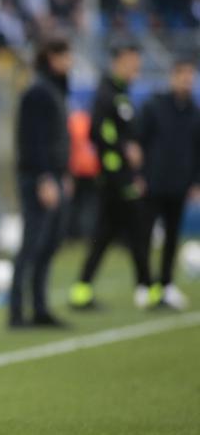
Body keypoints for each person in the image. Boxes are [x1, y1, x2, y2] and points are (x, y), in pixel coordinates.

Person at [69, 40, 160, 311]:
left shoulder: (121, 92)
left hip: (119, 176)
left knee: (109, 233)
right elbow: (98, 131)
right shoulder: (107, 93)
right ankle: (148, 288)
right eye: (132, 60)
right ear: (119, 61)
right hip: (115, 178)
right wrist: (124, 152)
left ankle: (83, 289)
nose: (137, 66)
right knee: (135, 230)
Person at [9, 36, 72, 329]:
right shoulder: (37, 93)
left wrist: (64, 174)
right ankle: (17, 312)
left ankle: (40, 308)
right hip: (38, 178)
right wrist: (45, 177)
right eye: (64, 56)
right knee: (32, 244)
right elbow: (33, 142)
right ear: (51, 57)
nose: (69, 62)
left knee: (49, 244)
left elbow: (58, 140)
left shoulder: (55, 91)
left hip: (54, 176)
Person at [137, 57, 200, 309]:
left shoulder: (194, 112)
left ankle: (166, 283)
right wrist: (139, 175)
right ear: (172, 76)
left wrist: (195, 181)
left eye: (190, 74)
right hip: (153, 182)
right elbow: (139, 142)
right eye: (182, 74)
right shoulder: (155, 106)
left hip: (179, 184)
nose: (187, 79)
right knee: (145, 236)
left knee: (173, 236)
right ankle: (144, 284)